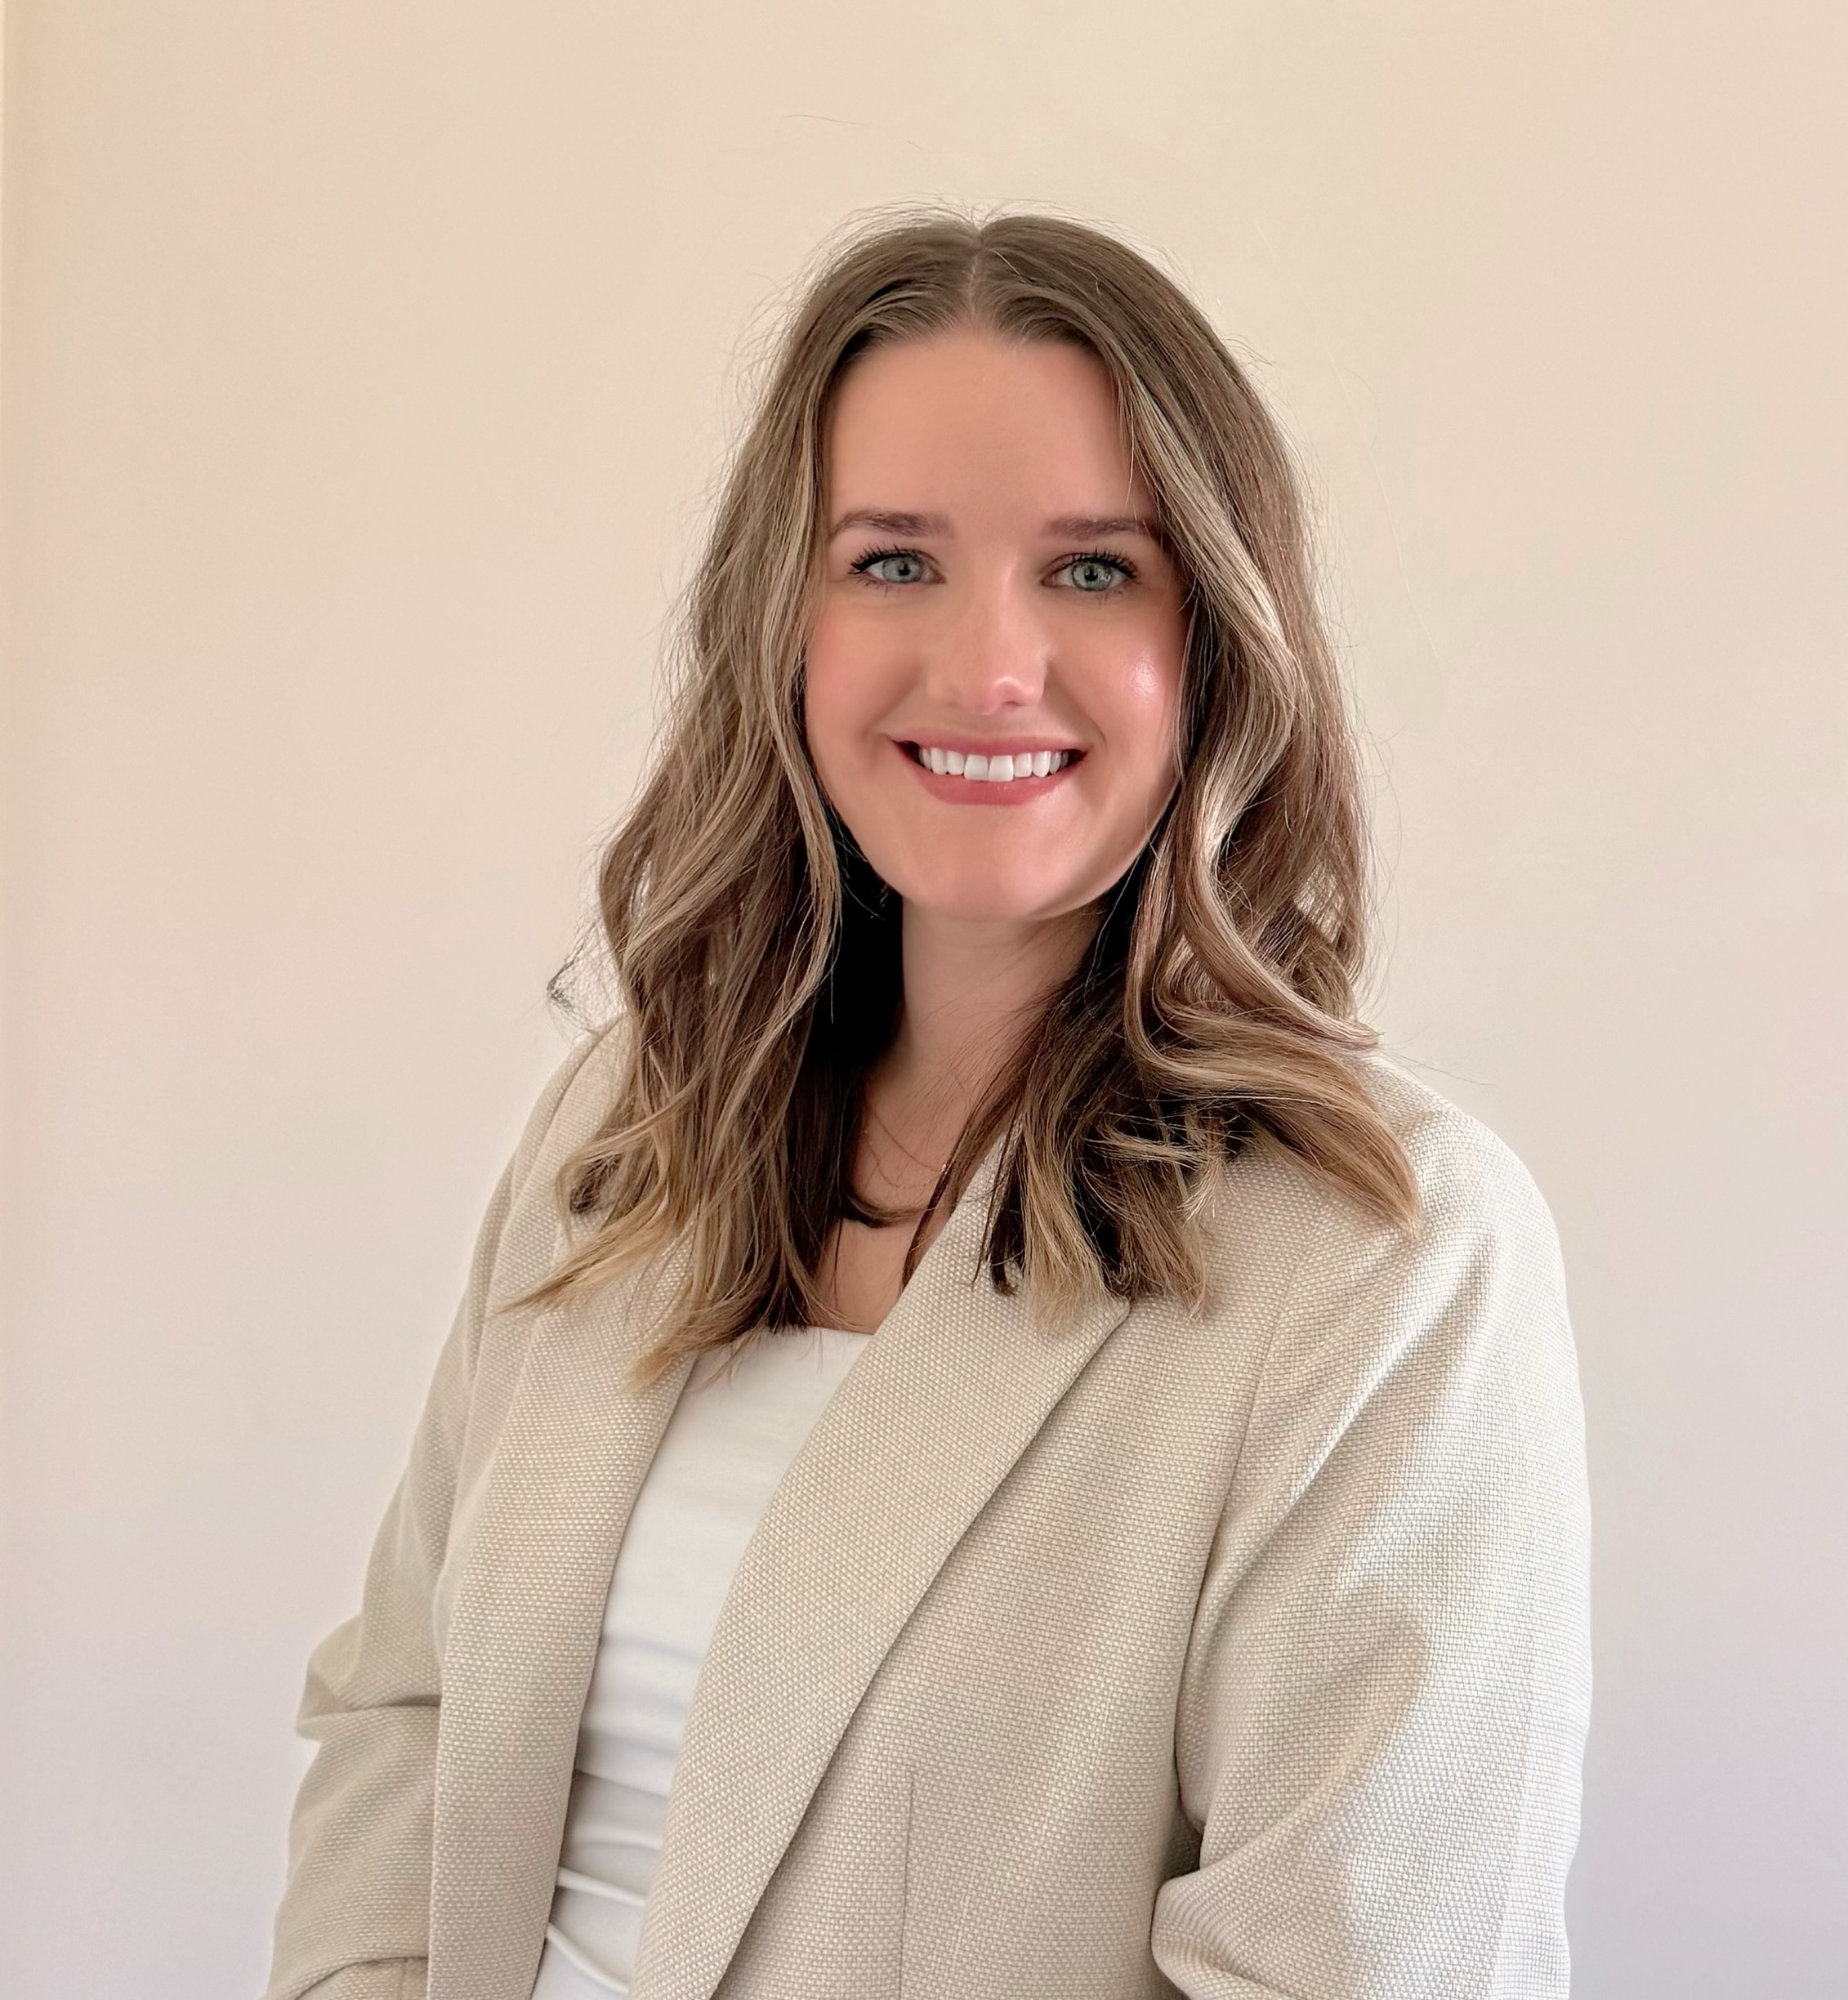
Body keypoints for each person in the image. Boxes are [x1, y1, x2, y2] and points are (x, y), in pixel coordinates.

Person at [262, 209, 1591, 2000]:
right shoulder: (625, 1127)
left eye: (1094, 570)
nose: (987, 667)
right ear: (784, 624)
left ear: (1217, 638)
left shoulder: (1385, 1263)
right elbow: (403, 1714)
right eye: (893, 561)